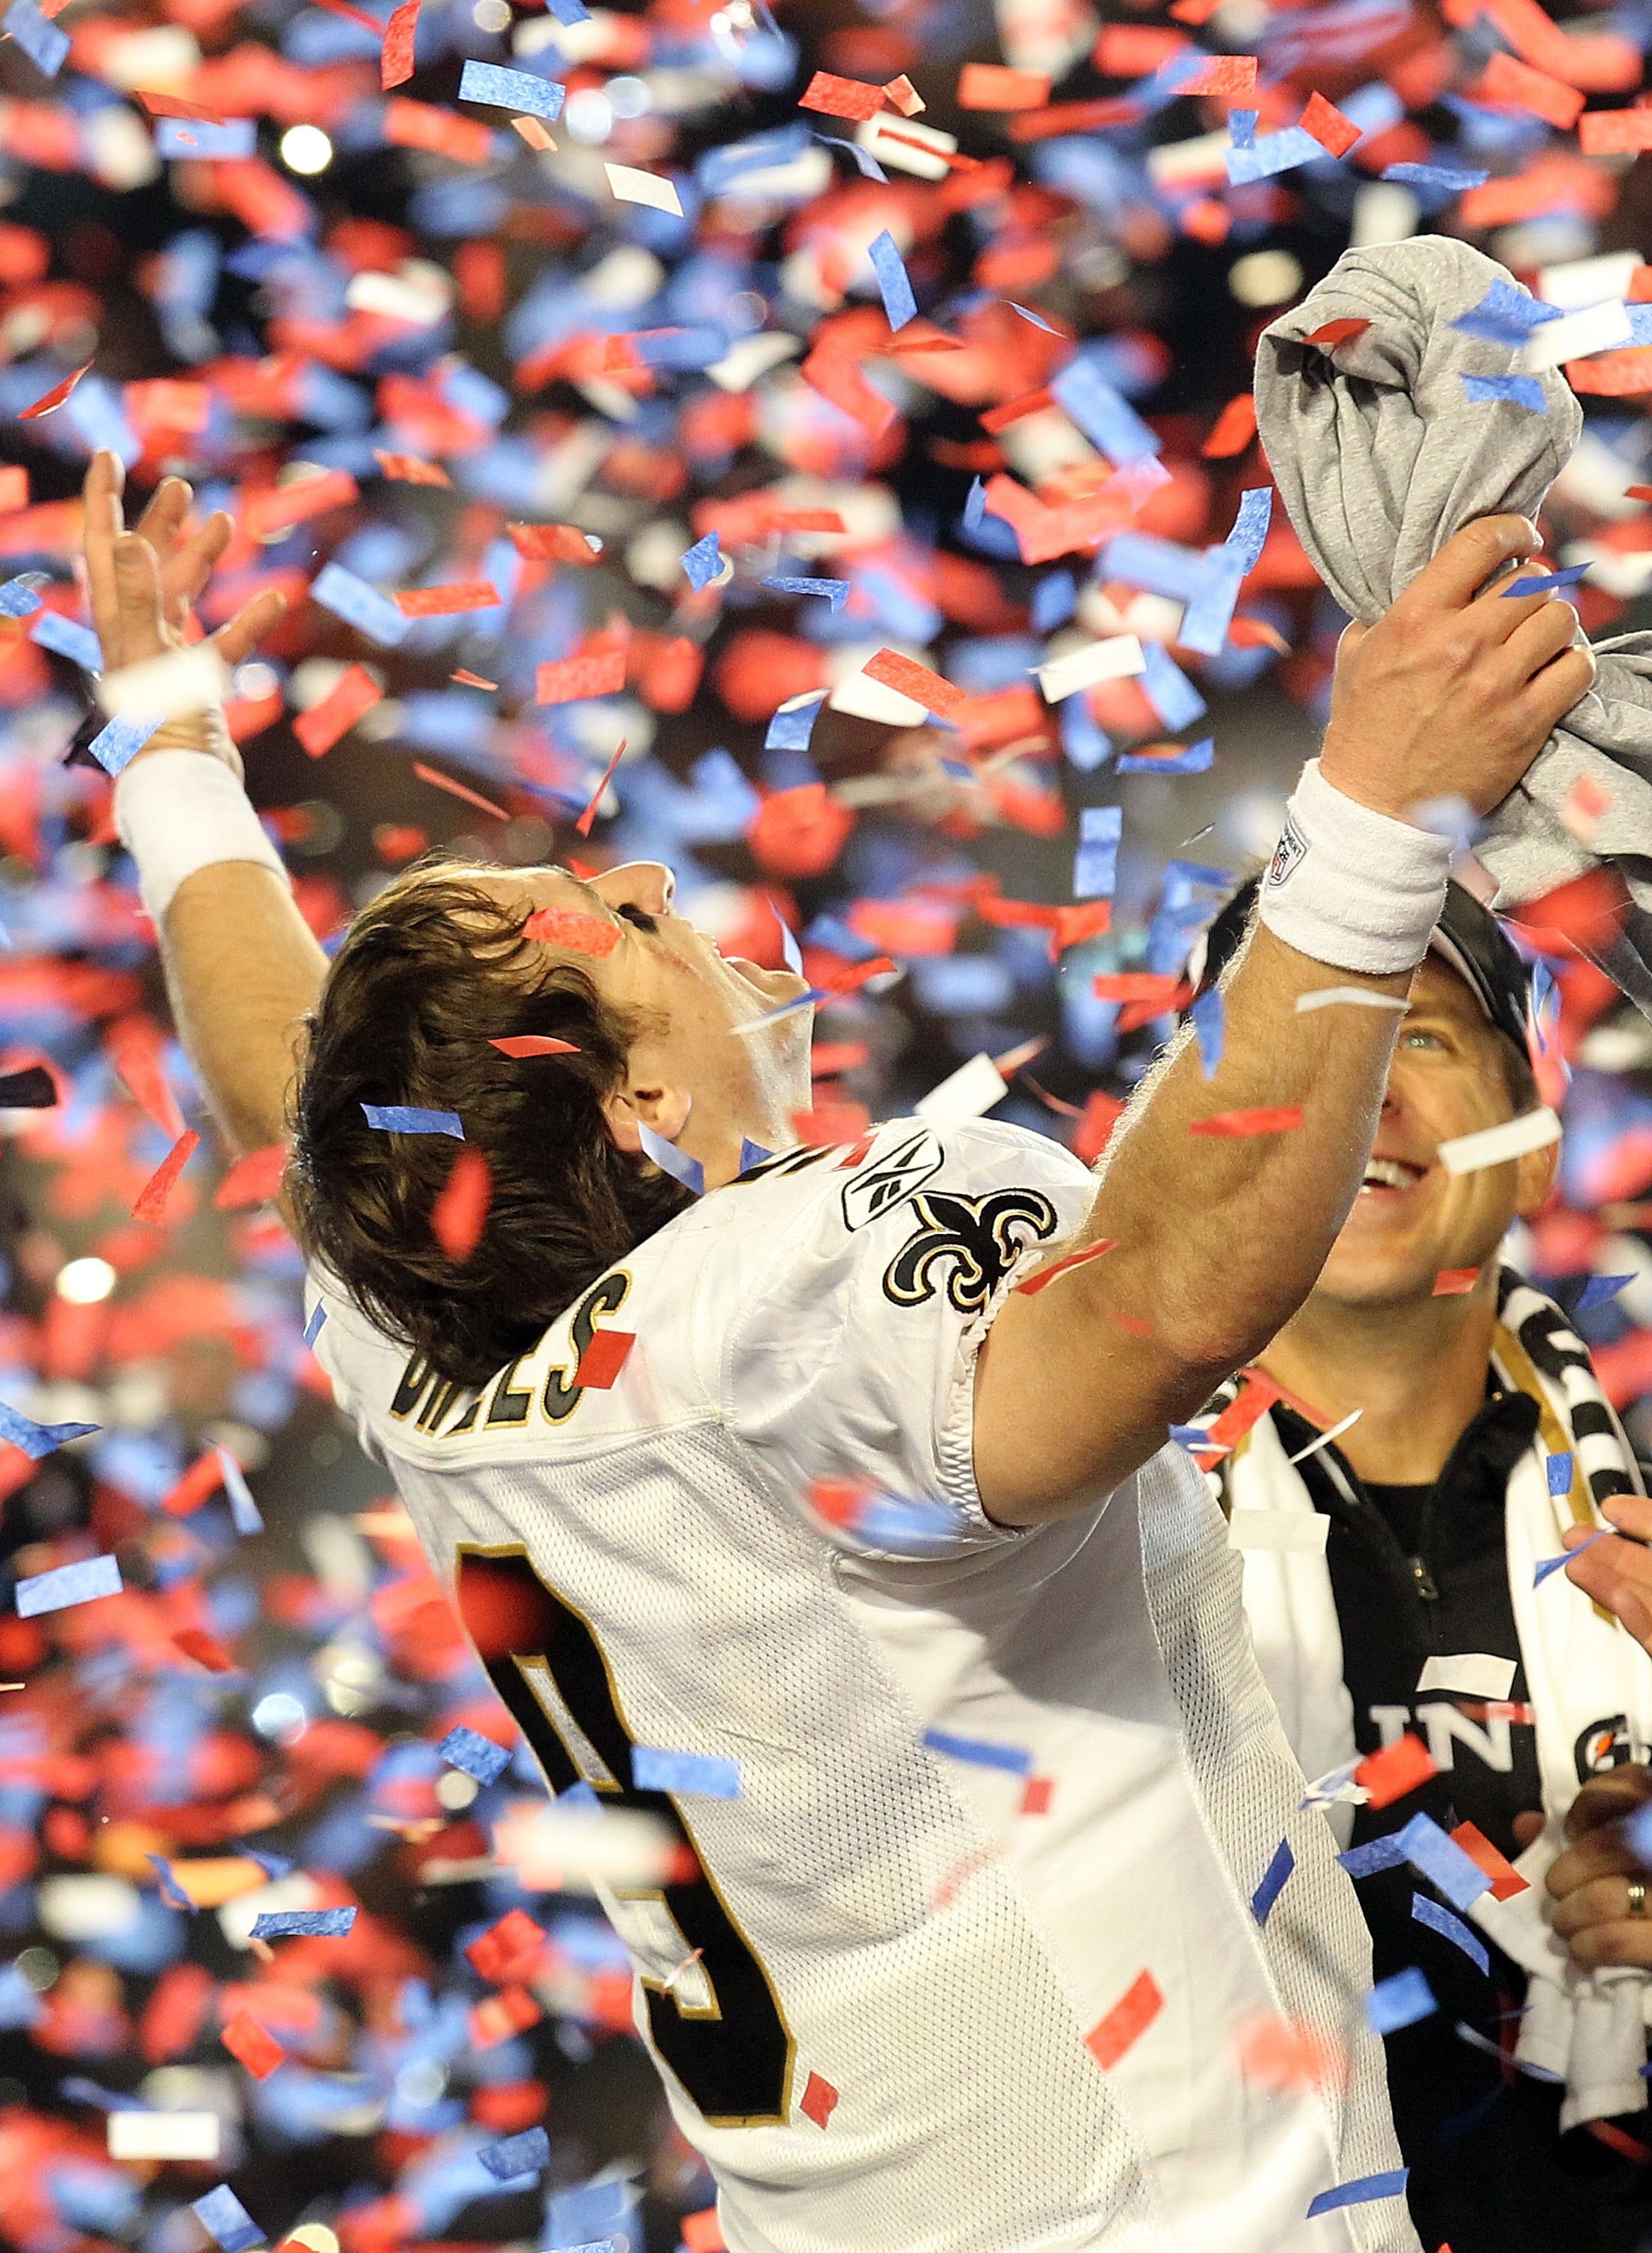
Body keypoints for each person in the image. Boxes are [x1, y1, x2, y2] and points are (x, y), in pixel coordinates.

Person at [80, 442, 1594, 2253]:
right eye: (617, 922)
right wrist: (1369, 819)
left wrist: (171, 743)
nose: (649, 874)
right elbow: (1159, 1301)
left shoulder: (426, 1336)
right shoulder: (793, 1298)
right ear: (633, 1098)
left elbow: (280, 1076)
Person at [1189, 875, 1652, 2253]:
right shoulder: (1066, 1541)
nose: (1364, 1097)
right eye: (1301, 1043)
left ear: (1531, 1144)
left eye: (1426, 1040)